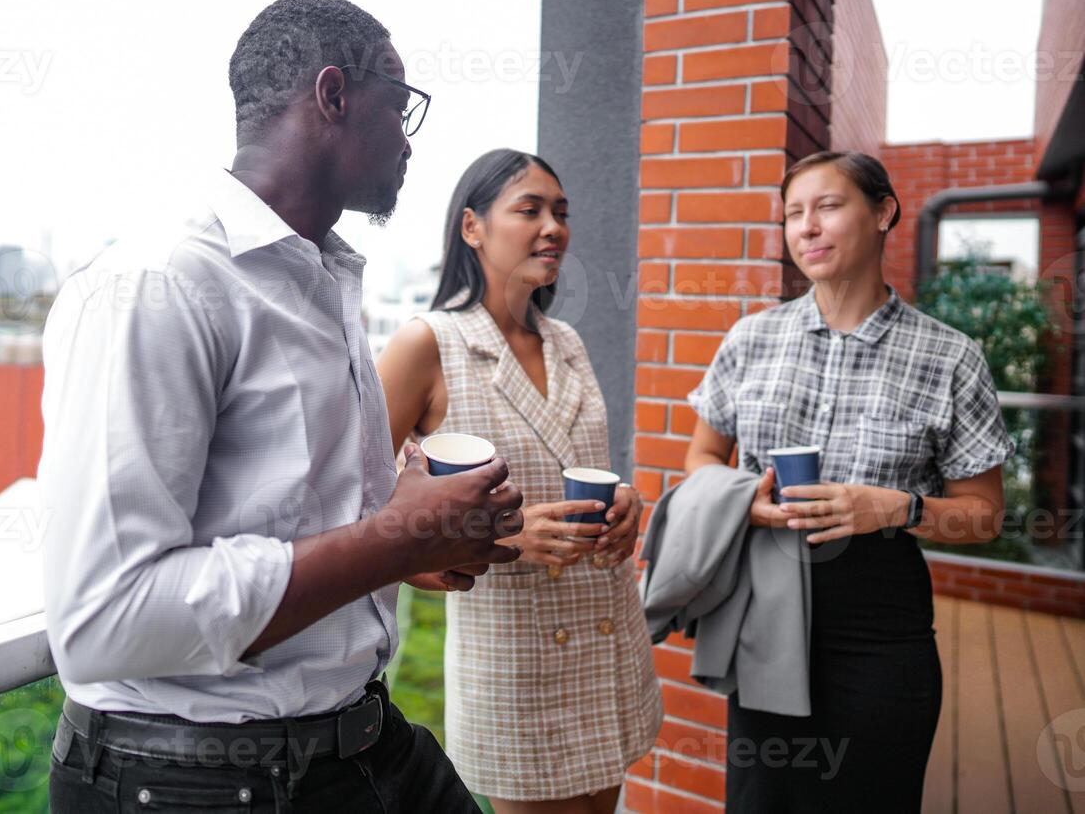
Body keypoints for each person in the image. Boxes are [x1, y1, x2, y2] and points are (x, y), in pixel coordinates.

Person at [39, 0, 526, 812]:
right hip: (194, 783)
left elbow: (296, 520)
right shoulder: (159, 286)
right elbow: (103, 619)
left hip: (359, 746)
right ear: (333, 95)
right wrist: (396, 538)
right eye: (399, 104)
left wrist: (413, 534)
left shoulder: (322, 279)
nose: (409, 139)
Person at [683, 149, 1014, 813]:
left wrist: (895, 507)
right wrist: (747, 498)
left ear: (883, 211)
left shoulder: (950, 356)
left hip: (880, 619)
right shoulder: (751, 339)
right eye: (793, 215)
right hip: (766, 602)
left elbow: (984, 514)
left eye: (828, 206)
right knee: (764, 799)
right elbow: (700, 462)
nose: (806, 227)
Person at [377, 149, 661, 814]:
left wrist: (628, 505)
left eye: (560, 212)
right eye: (529, 209)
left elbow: (582, 465)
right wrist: (499, 537)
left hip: (608, 637)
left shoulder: (566, 341)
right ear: (472, 227)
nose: (554, 227)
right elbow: (366, 518)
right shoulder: (427, 344)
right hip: (514, 662)